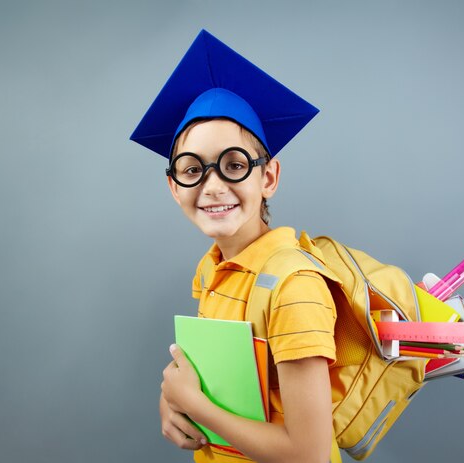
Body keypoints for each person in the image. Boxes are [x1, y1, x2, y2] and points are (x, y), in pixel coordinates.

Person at [131, 30, 337, 463]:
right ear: (173, 186)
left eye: (234, 165)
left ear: (269, 177)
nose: (213, 186)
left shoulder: (293, 286)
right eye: (193, 169)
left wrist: (197, 405)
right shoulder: (211, 269)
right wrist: (173, 401)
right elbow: (223, 383)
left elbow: (311, 454)